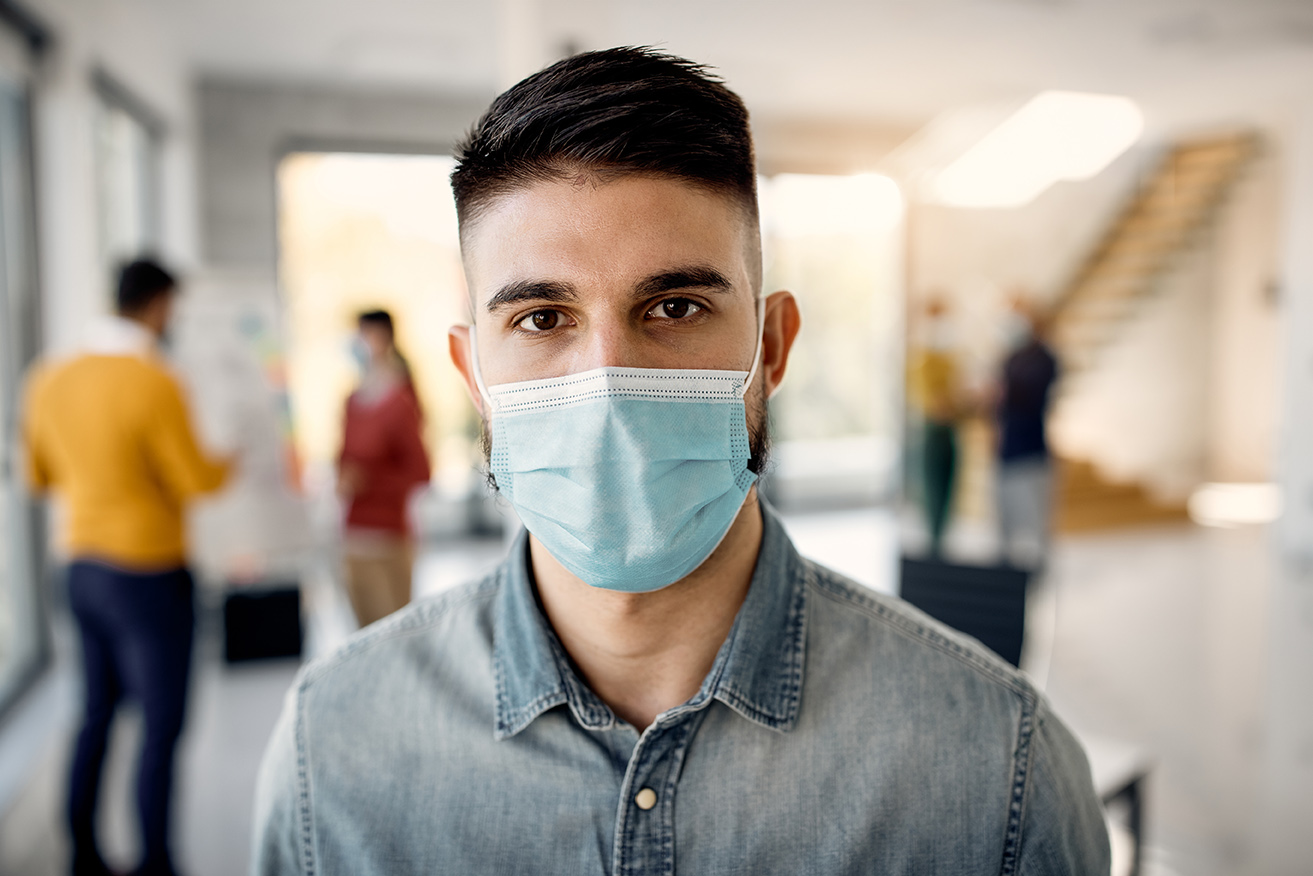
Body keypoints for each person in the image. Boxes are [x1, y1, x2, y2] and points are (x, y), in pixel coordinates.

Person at [253, 48, 1108, 874]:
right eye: (542, 319)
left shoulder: (998, 771)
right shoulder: (330, 747)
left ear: (770, 347)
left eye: (674, 305)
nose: (607, 387)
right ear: (472, 373)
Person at [23, 259, 233, 876]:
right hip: (146, 571)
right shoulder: (154, 381)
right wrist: (230, 460)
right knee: (161, 726)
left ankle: (83, 854)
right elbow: (194, 479)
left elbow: (36, 476)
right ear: (159, 303)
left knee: (93, 713)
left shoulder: (50, 378)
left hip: (79, 568)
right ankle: (155, 862)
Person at [337, 309, 431, 627]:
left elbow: (421, 472)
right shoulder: (352, 401)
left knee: (392, 632)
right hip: (353, 532)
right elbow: (344, 459)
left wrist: (369, 483)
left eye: (365, 335)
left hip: (388, 534)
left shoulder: (399, 402)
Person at [995, 297, 1061, 569]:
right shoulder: (1010, 356)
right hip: (1006, 449)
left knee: (1035, 524)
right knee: (1005, 524)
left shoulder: (1044, 358)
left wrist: (1001, 393)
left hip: (1031, 450)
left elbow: (1028, 396)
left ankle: (1038, 571)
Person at [907, 295, 962, 558]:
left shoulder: (950, 358)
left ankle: (941, 544)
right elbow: (937, 405)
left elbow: (959, 399)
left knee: (948, 494)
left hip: (950, 432)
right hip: (933, 432)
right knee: (933, 495)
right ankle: (934, 546)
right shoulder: (922, 361)